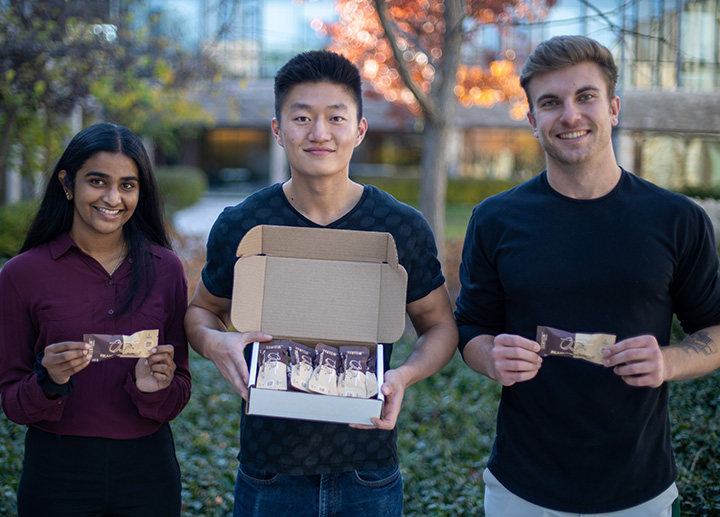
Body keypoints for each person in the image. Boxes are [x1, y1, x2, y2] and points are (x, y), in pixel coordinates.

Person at [454, 35, 720, 516]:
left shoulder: (677, 219)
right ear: (533, 120)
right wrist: (490, 356)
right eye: (551, 103)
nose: (570, 115)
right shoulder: (495, 220)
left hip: (640, 487)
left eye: (586, 97)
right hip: (522, 488)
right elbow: (471, 326)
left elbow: (715, 330)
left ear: (613, 107)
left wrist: (670, 361)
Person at [184, 50, 458, 516]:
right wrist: (214, 344)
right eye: (302, 117)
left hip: (367, 471)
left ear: (360, 129)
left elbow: (440, 327)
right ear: (277, 129)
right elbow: (200, 311)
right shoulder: (244, 224)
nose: (319, 133)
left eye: (335, 117)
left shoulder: (399, 227)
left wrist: (404, 376)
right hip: (270, 471)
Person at [0, 122, 192, 516]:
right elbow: (12, 402)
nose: (112, 197)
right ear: (68, 184)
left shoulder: (167, 269)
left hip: (148, 471)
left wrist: (154, 388)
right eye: (97, 181)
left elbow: (181, 386)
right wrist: (48, 381)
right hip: (56, 474)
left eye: (127, 185)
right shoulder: (21, 275)